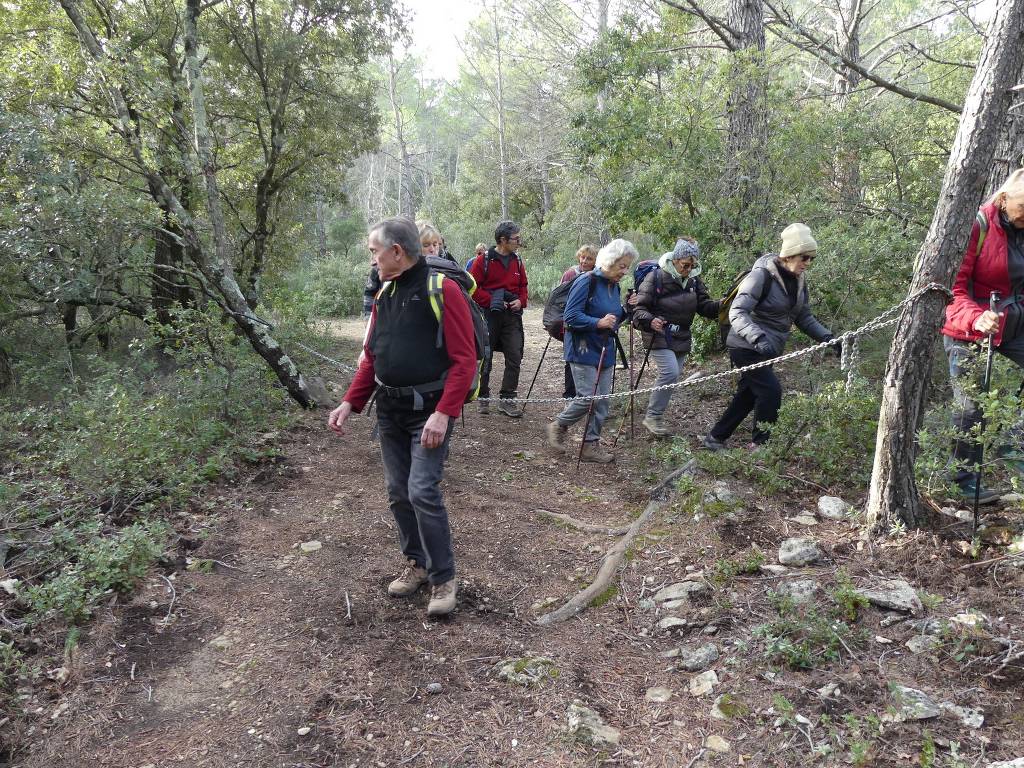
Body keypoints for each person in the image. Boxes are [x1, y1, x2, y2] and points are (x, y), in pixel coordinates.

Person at [328, 217, 476, 617]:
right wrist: (349, 403)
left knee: (422, 490)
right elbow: (373, 359)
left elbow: (465, 361)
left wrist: (444, 414)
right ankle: (418, 564)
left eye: (375, 251)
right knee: (398, 492)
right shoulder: (385, 294)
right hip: (390, 413)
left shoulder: (442, 290)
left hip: (429, 412)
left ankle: (444, 577)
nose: (372, 259)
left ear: (397, 251)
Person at [703, 223, 836, 450]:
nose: (808, 263)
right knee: (770, 391)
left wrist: (829, 338)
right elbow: (737, 311)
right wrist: (758, 338)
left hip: (769, 348)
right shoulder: (761, 276)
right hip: (745, 344)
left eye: (811, 259)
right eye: (804, 257)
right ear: (789, 255)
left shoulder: (800, 282)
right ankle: (761, 445)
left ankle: (715, 437)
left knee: (748, 393)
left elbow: (803, 317)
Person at [941, 168, 1024, 503]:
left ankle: (1012, 439)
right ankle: (962, 483)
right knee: (971, 405)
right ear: (1003, 200)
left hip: (1015, 325)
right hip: (968, 328)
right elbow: (951, 289)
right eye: (1022, 211)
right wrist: (976, 318)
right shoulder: (977, 226)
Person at [546, 239, 636, 463]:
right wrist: (598, 323)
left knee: (602, 400)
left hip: (605, 348)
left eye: (627, 267)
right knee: (589, 398)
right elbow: (571, 317)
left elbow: (613, 319)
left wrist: (627, 309)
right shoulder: (586, 282)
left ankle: (590, 445)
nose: (625, 272)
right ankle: (559, 424)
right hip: (582, 348)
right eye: (622, 266)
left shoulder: (613, 285)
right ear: (609, 262)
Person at [632, 237, 720, 437]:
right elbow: (639, 310)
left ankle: (655, 418)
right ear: (675, 260)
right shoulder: (655, 277)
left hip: (681, 335)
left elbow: (705, 307)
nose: (688, 269)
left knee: (672, 378)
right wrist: (651, 320)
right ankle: (652, 417)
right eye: (685, 265)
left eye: (692, 265)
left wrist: (725, 304)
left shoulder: (694, 281)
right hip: (658, 333)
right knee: (670, 372)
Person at [470, 221, 529, 417]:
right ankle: (483, 397)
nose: (519, 242)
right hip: (488, 316)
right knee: (486, 356)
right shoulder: (483, 261)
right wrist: (492, 301)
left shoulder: (518, 261)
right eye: (516, 239)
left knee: (515, 356)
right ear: (502, 240)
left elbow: (523, 286)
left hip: (512, 317)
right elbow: (472, 288)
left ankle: (508, 399)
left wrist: (520, 301)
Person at [560, 245, 598, 398]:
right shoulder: (570, 273)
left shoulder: (598, 276)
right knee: (572, 360)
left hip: (592, 324)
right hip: (572, 324)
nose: (584, 261)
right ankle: (570, 396)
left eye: (589, 258)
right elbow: (560, 297)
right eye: (582, 257)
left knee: (590, 359)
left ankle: (589, 396)